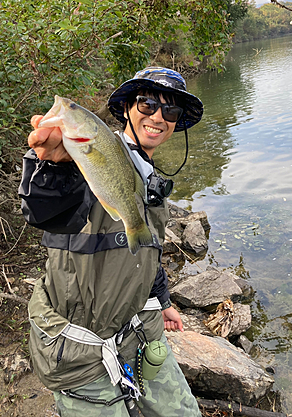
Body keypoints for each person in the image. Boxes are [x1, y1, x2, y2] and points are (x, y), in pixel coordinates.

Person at [18, 67, 203, 417]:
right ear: (127, 108)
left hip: (138, 331)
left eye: (170, 111)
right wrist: (54, 168)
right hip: (80, 352)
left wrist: (162, 300)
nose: (158, 117)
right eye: (147, 104)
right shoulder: (84, 158)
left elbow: (147, 253)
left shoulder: (149, 179)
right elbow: (45, 211)